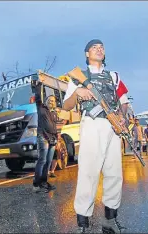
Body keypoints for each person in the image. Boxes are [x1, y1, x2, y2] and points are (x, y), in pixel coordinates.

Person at [63, 39, 129, 233]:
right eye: (94, 47)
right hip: (91, 124)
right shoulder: (78, 77)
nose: (99, 49)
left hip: (112, 127)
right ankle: (82, 224)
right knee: (88, 173)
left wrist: (122, 116)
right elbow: (66, 105)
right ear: (86, 54)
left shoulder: (114, 76)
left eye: (102, 47)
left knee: (114, 173)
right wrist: (78, 93)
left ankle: (109, 220)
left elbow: (124, 101)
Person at [32, 75, 58, 193]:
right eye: (49, 100)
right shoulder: (41, 107)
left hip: (53, 139)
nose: (51, 102)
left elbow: (54, 127)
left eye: (53, 101)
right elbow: (37, 96)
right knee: (42, 160)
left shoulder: (54, 113)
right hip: (43, 137)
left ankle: (44, 182)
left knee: (48, 162)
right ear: (46, 101)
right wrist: (38, 83)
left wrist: (57, 138)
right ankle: (36, 184)